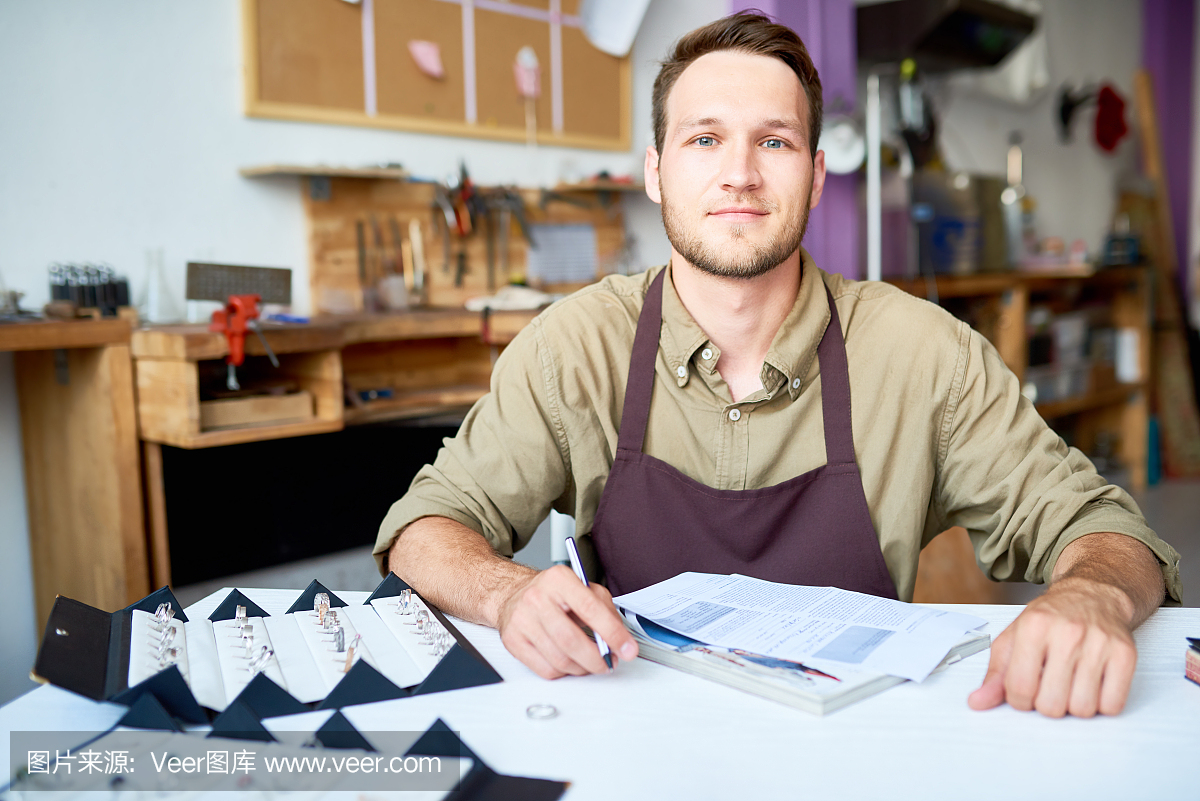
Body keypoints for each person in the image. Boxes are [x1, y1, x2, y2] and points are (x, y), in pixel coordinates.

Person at [374, 12, 1181, 718]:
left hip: (854, 746)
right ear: (656, 172)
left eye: (774, 141)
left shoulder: (923, 355)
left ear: (817, 176)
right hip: (632, 737)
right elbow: (424, 529)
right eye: (704, 139)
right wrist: (509, 593)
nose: (739, 173)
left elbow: (1105, 529)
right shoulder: (575, 346)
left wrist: (1088, 595)